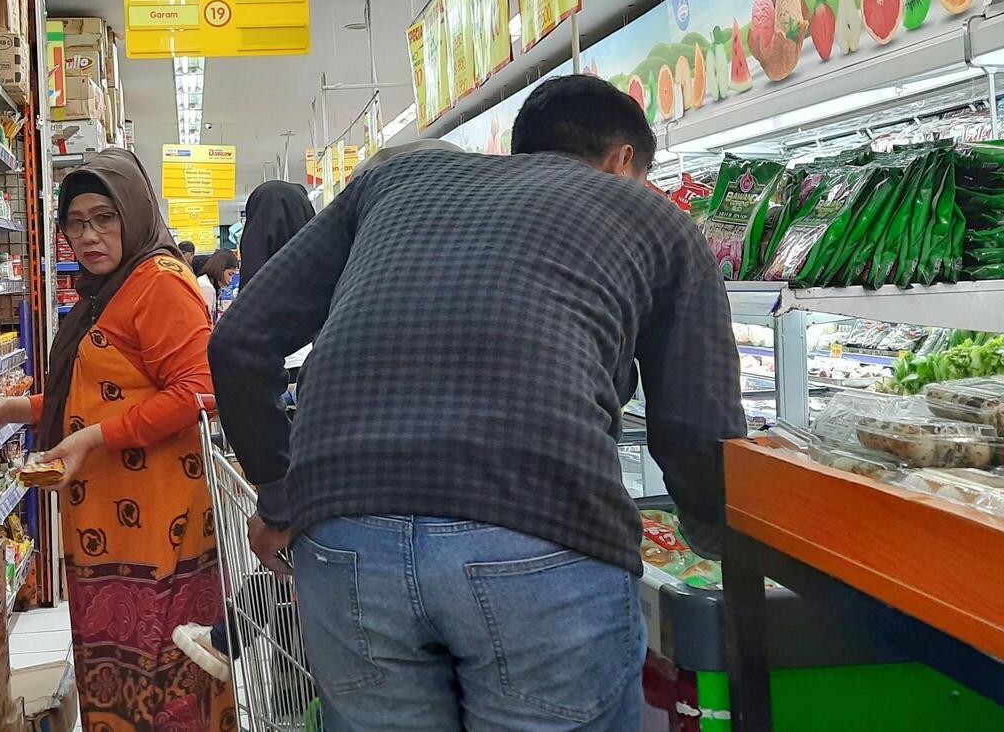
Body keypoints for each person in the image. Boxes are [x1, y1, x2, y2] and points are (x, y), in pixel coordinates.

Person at [210, 75, 745, 731]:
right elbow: (698, 426)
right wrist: (718, 544)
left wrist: (279, 497)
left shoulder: (395, 178)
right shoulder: (655, 219)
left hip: (347, 535)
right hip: (542, 526)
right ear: (622, 162)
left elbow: (238, 343)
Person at [0, 148, 230, 730]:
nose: (89, 235)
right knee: (117, 665)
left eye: (104, 217)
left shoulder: (158, 285)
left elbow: (200, 390)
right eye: (76, 222)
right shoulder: (107, 292)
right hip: (110, 525)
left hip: (159, 526)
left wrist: (96, 439)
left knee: (164, 671)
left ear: (132, 213)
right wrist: (12, 410)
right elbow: (97, 395)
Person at [173, 179, 316, 682]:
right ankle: (228, 638)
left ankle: (229, 639)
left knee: (298, 556)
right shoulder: (339, 279)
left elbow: (236, 361)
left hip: (296, 465)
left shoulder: (258, 305)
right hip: (337, 467)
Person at [196, 249, 238, 318]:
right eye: (230, 274)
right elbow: (208, 320)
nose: (230, 281)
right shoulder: (207, 287)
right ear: (220, 268)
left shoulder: (203, 281)